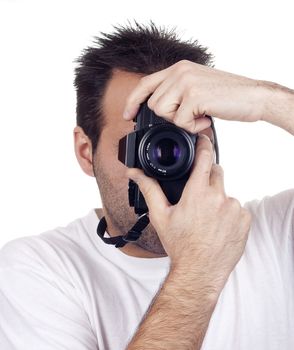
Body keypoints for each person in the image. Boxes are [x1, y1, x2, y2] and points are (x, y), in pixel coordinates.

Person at [0, 21, 293, 350]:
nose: (166, 159)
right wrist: (198, 270)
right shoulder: (40, 269)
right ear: (86, 152)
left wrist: (267, 100)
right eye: (141, 142)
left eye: (183, 138)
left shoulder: (276, 232)